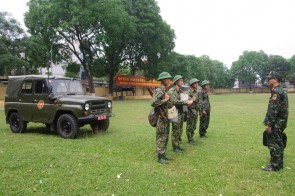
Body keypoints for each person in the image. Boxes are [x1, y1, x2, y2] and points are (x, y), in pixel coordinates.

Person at [262, 71, 288, 171]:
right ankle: (279, 163)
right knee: (279, 142)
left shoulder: (277, 92)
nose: (268, 80)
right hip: (281, 122)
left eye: (270, 78)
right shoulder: (281, 90)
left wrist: (269, 124)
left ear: (276, 79)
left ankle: (275, 165)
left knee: (274, 143)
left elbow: (273, 110)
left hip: (276, 123)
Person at [151, 72, 174, 164]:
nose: (169, 80)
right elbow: (153, 102)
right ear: (163, 80)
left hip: (166, 117)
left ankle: (164, 154)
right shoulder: (159, 90)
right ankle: (160, 157)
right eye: (167, 79)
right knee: (161, 136)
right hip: (160, 117)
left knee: (165, 135)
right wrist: (165, 100)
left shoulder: (165, 90)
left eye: (169, 79)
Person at [169, 75, 193, 153]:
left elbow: (185, 98)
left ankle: (178, 145)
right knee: (175, 129)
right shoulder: (171, 91)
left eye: (182, 81)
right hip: (174, 112)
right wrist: (185, 101)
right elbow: (175, 101)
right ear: (176, 82)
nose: (182, 82)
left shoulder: (181, 91)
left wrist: (189, 99)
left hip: (181, 112)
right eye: (181, 81)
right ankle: (175, 147)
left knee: (180, 129)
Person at [186, 78, 200, 145]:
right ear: (192, 84)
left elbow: (197, 100)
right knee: (189, 126)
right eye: (195, 83)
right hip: (190, 111)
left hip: (195, 111)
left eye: (197, 83)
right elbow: (187, 102)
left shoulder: (196, 92)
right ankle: (189, 139)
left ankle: (192, 137)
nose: (197, 84)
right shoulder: (188, 92)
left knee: (194, 126)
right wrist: (192, 99)